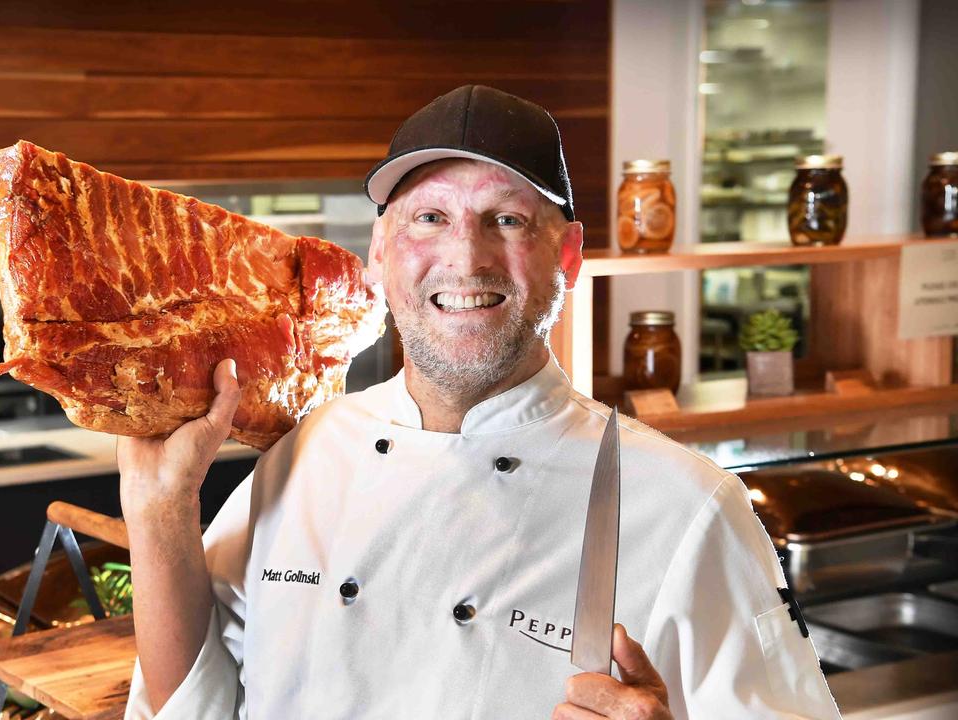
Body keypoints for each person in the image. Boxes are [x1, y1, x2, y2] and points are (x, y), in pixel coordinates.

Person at [117, 85, 841, 719]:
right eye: (429, 218)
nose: (466, 257)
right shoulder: (305, 452)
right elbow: (191, 705)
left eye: (508, 219)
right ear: (379, 252)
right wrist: (156, 509)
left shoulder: (685, 509)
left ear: (569, 256)